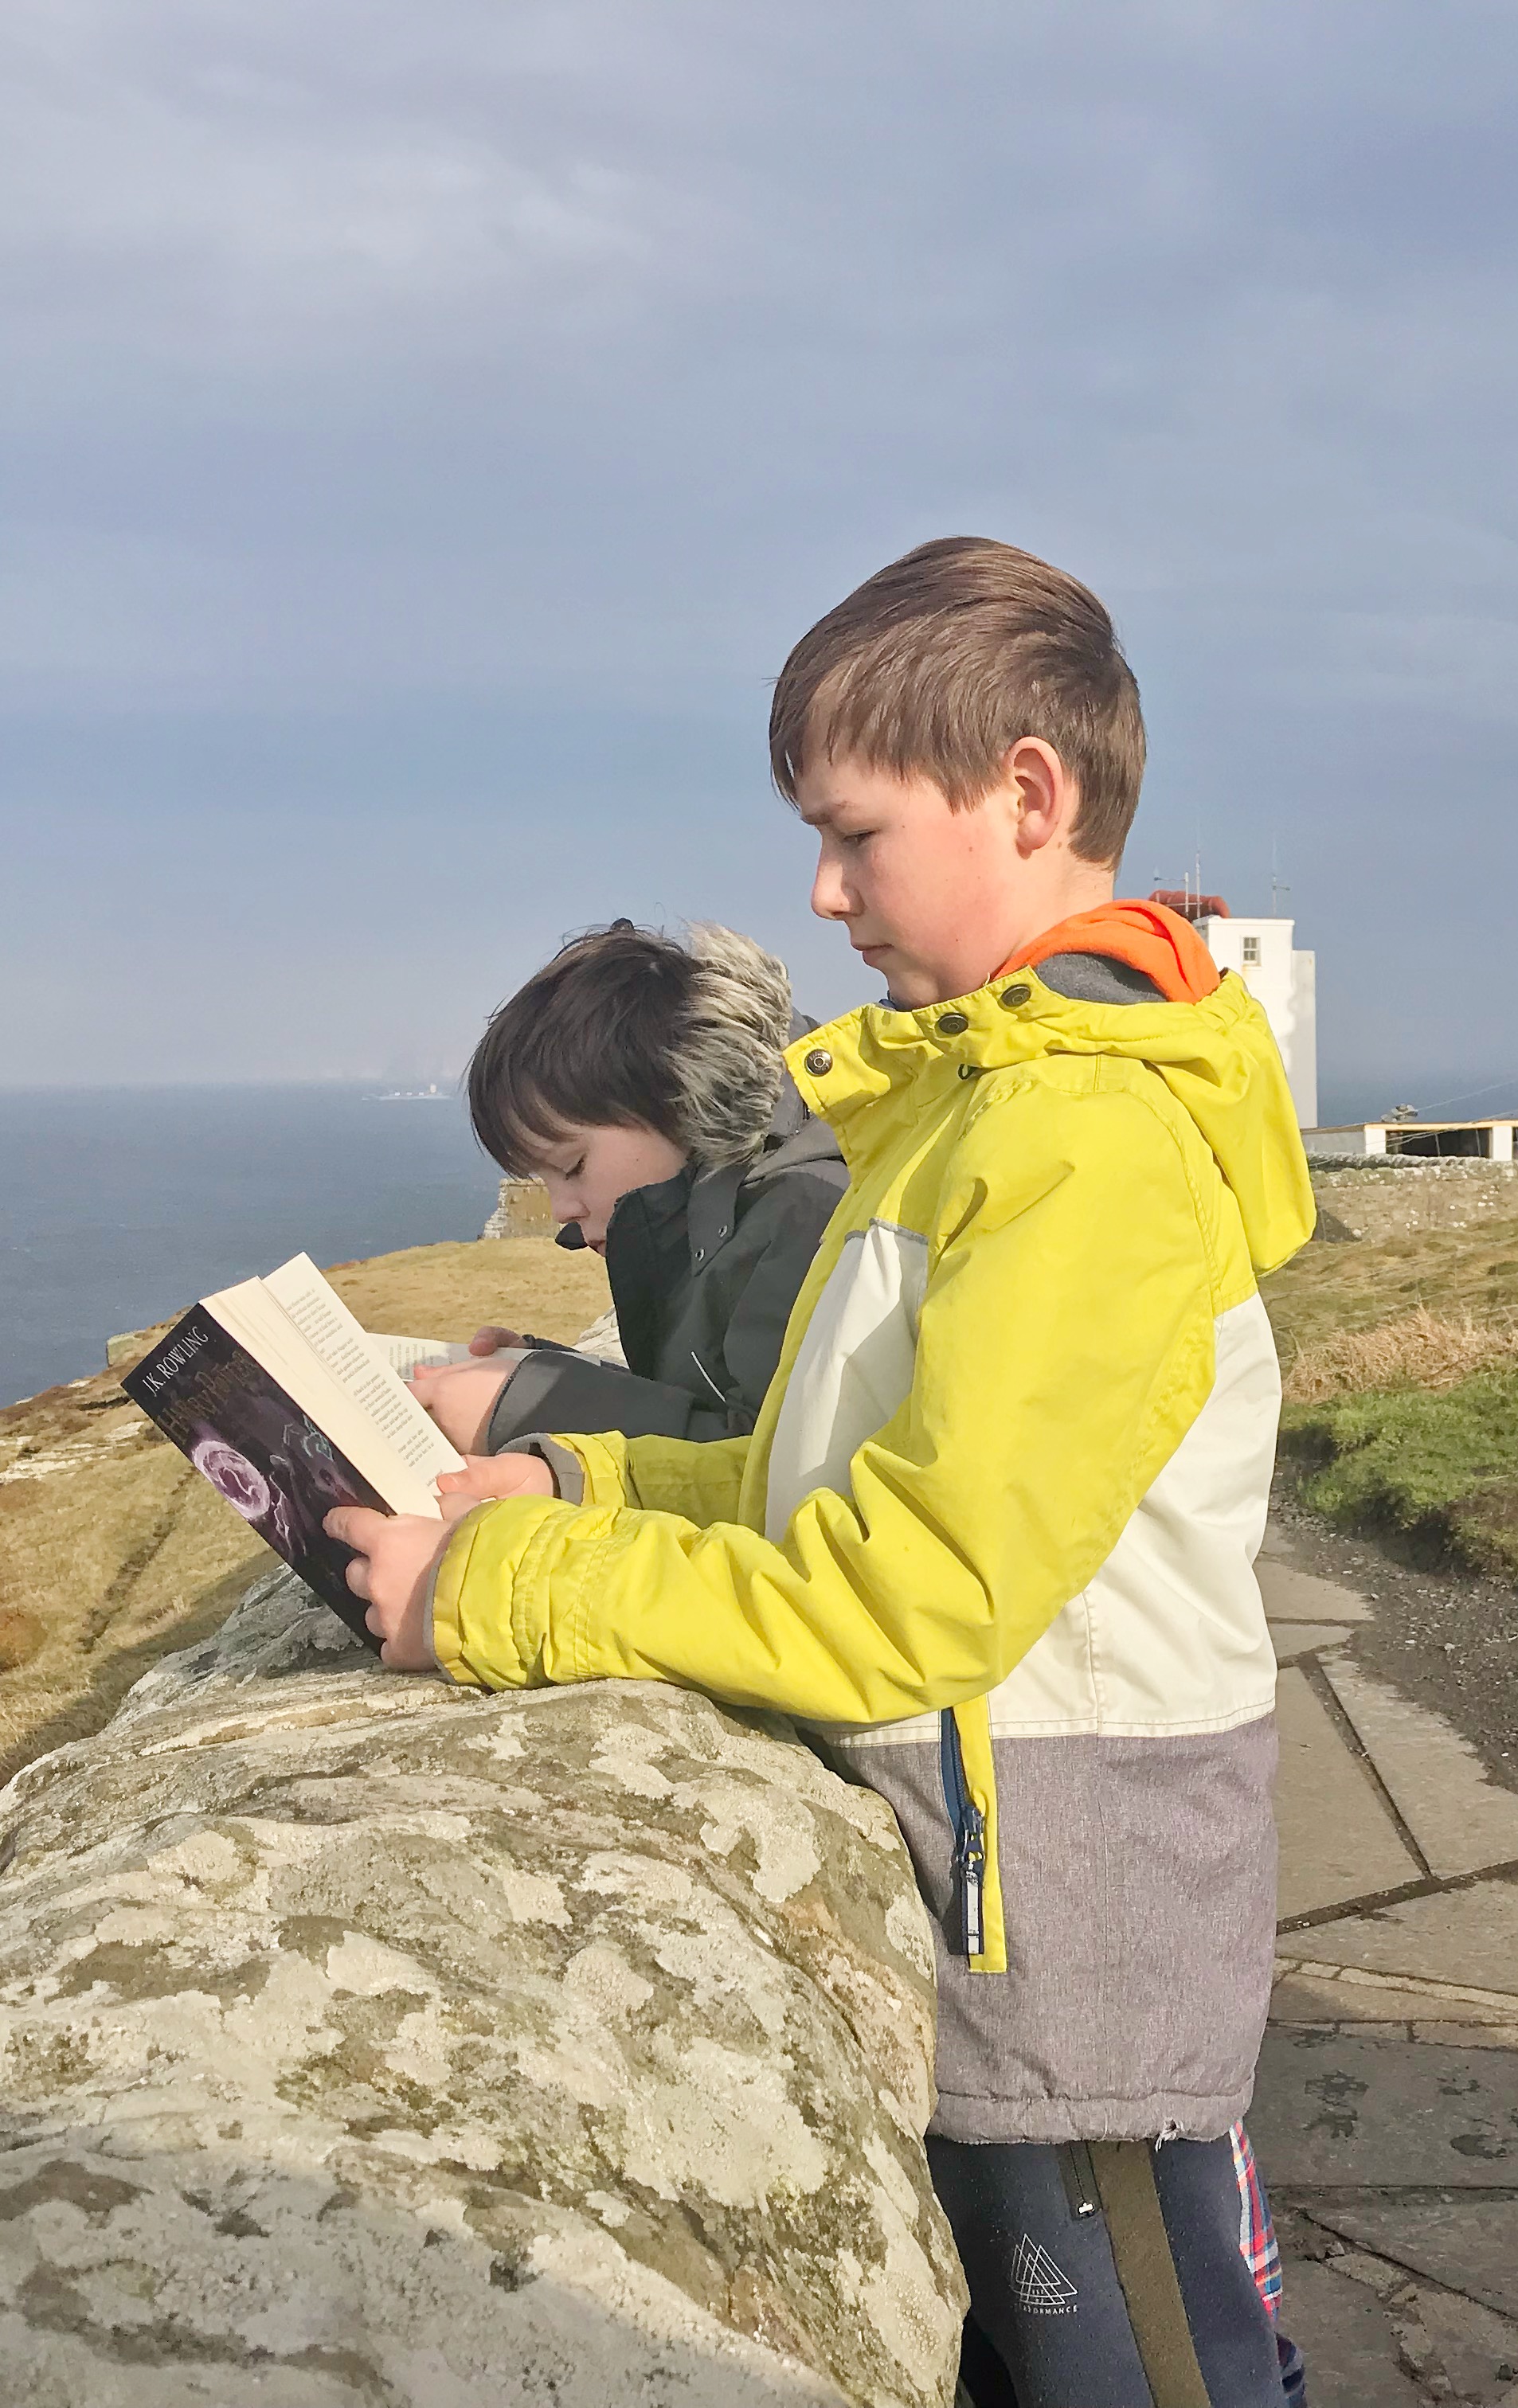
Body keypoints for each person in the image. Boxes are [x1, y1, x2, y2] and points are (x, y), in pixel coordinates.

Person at [331, 537, 1316, 2407]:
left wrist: (504, 1598)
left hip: (1073, 1918)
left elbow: (904, 1595)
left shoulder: (1082, 1142)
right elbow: (828, 1480)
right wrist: (576, 1497)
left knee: (1159, 2374)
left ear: (1027, 793)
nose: (821, 886)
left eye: (855, 833)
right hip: (1010, 1877)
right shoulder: (983, 1106)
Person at [409, 920, 848, 1458]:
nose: (561, 1210)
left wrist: (525, 1408)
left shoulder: (807, 1214)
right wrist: (543, 1373)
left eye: (572, 1167)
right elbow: (700, 1399)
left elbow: (762, 1470)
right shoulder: (713, 1206)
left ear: (680, 1094)